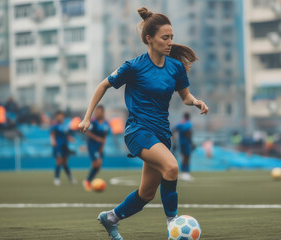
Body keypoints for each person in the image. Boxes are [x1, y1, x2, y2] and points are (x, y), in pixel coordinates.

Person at [78, 7, 209, 240]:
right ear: (149, 39)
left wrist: (196, 102)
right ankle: (173, 224)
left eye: (172, 38)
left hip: (161, 134)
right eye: (164, 38)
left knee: (146, 194)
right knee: (172, 167)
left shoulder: (175, 67)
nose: (170, 42)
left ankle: (110, 218)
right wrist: (87, 117)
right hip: (137, 131)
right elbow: (102, 85)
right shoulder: (133, 66)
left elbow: (185, 96)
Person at [82, 105, 111, 191]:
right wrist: (97, 138)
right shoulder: (93, 122)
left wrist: (102, 146)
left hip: (100, 146)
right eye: (97, 112)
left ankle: (88, 180)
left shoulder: (106, 122)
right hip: (92, 145)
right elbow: (88, 132)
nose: (98, 113)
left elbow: (105, 135)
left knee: (98, 166)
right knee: (97, 163)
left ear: (103, 112)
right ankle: (87, 181)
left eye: (100, 112)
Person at [50, 110, 76, 186]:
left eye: (61, 116)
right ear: (56, 117)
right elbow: (52, 134)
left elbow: (66, 134)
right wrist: (53, 141)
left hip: (65, 146)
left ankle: (70, 177)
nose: (60, 117)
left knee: (64, 163)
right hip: (58, 146)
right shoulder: (54, 125)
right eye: (58, 116)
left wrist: (70, 138)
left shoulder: (65, 125)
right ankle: (57, 178)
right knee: (59, 162)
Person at [173, 112, 194, 181]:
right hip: (186, 142)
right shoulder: (188, 123)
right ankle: (186, 173)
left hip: (180, 142)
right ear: (188, 117)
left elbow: (174, 130)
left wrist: (174, 142)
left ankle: (183, 173)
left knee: (184, 157)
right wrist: (192, 143)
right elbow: (187, 132)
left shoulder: (180, 122)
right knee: (187, 157)